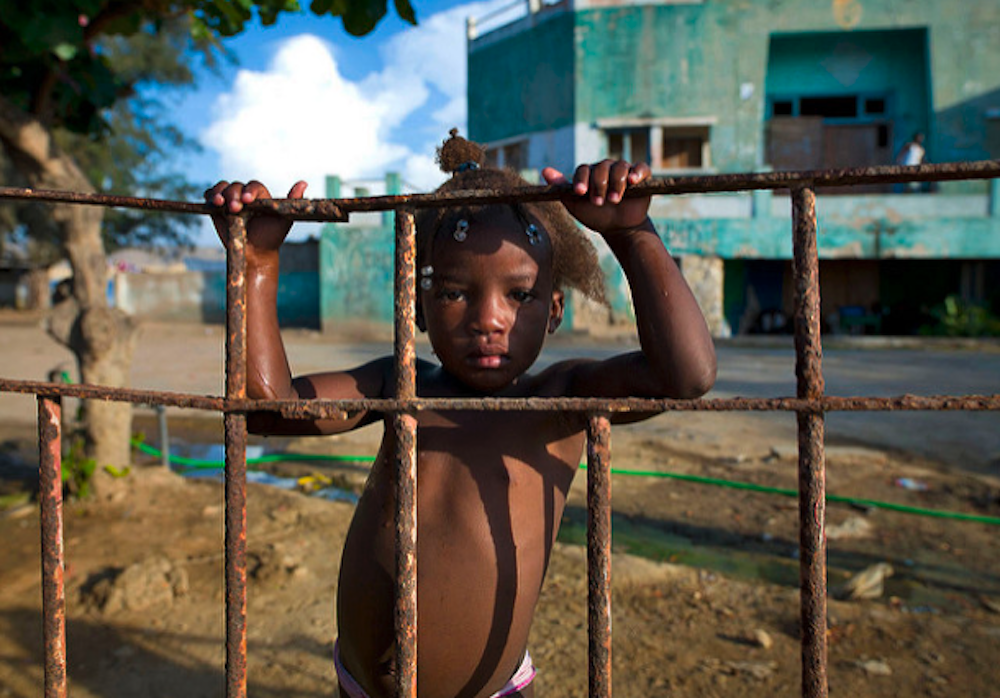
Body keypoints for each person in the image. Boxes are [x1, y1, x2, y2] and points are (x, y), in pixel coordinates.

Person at [205, 131, 716, 698]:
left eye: (519, 296)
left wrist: (630, 234)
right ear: (418, 309)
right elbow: (269, 412)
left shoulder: (560, 400)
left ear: (554, 311)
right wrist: (254, 265)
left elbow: (686, 375)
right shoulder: (399, 382)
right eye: (453, 293)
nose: (488, 320)